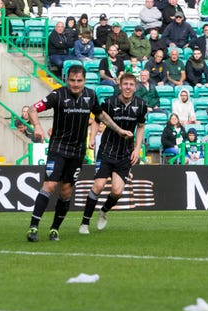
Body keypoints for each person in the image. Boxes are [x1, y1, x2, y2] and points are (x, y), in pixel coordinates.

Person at [25, 65, 131, 242]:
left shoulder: (90, 95)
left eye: (79, 81)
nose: (75, 84)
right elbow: (32, 109)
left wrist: (118, 130)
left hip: (77, 152)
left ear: (84, 80)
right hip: (58, 148)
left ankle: (54, 229)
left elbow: (101, 115)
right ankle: (33, 227)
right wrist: (37, 125)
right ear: (67, 80)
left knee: (66, 192)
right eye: (72, 80)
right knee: (50, 186)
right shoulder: (57, 95)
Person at [79, 73, 146, 234]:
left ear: (135, 86)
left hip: (125, 153)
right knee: (99, 185)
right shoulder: (109, 102)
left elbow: (141, 126)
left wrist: (137, 148)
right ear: (120, 86)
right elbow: (97, 119)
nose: (128, 87)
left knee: (117, 191)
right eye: (125, 84)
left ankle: (103, 211)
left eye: (131, 84)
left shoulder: (141, 104)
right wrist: (92, 137)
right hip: (107, 151)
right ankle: (84, 223)